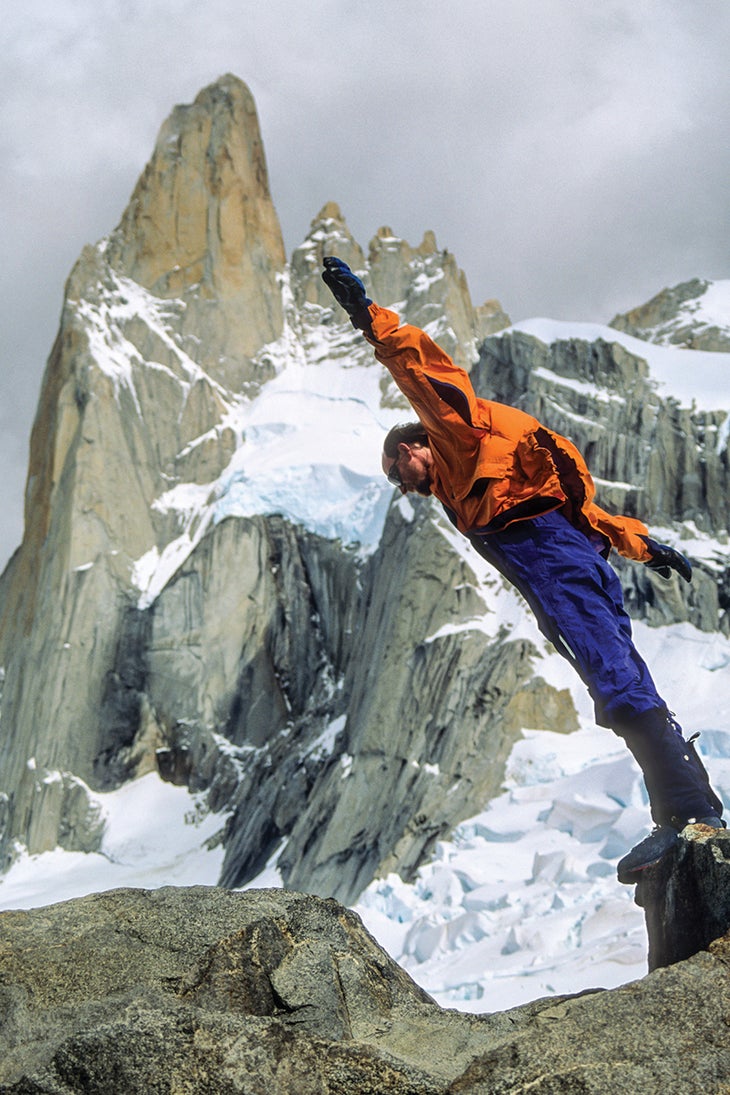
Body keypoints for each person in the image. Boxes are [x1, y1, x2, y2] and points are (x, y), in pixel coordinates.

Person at [321, 256, 724, 884]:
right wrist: (649, 547)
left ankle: (688, 817)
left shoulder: (455, 438)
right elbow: (588, 516)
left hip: (556, 566)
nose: (400, 486)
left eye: (395, 473)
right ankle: (695, 816)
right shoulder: (478, 478)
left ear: (409, 449)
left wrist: (367, 318)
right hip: (565, 565)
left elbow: (424, 371)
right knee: (620, 684)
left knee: (618, 689)